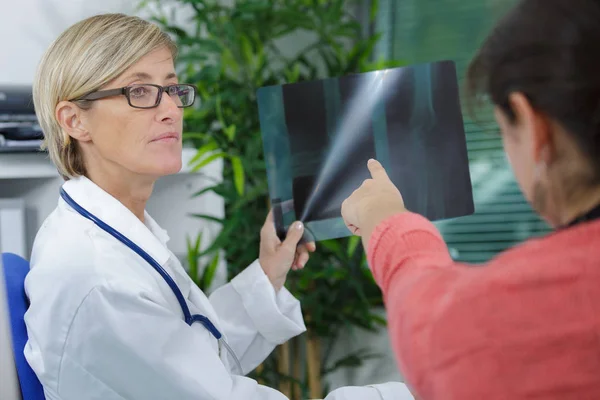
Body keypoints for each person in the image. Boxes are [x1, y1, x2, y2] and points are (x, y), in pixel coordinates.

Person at [24, 13, 413, 400]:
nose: (171, 110)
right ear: (74, 120)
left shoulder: (116, 235)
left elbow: (192, 357)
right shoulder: (99, 278)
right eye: (140, 92)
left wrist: (266, 274)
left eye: (172, 90)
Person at [341, 0, 600, 399]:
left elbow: (434, 323)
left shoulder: (518, 316)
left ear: (533, 126)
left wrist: (382, 216)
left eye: (503, 131)